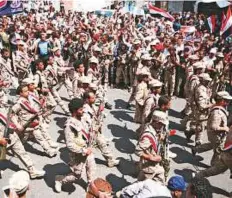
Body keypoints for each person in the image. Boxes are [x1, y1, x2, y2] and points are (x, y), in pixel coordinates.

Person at [55, 98, 96, 193]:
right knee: (77, 176)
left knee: (91, 167)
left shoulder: (83, 118)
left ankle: (91, 185)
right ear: (74, 111)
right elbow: (69, 145)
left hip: (87, 148)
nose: (83, 111)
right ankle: (60, 179)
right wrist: (83, 151)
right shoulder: (69, 125)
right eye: (81, 109)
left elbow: (89, 128)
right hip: (78, 153)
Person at [192, 91, 232, 167]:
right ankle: (214, 166)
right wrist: (225, 128)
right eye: (227, 100)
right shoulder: (218, 112)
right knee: (218, 151)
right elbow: (214, 126)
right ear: (222, 101)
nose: (228, 102)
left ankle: (196, 149)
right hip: (216, 135)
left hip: (215, 135)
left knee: (212, 145)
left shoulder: (219, 108)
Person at [116, 175, 186, 198]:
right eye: (182, 191)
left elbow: (131, 188)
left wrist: (122, 193)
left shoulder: (151, 182)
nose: (182, 193)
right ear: (176, 192)